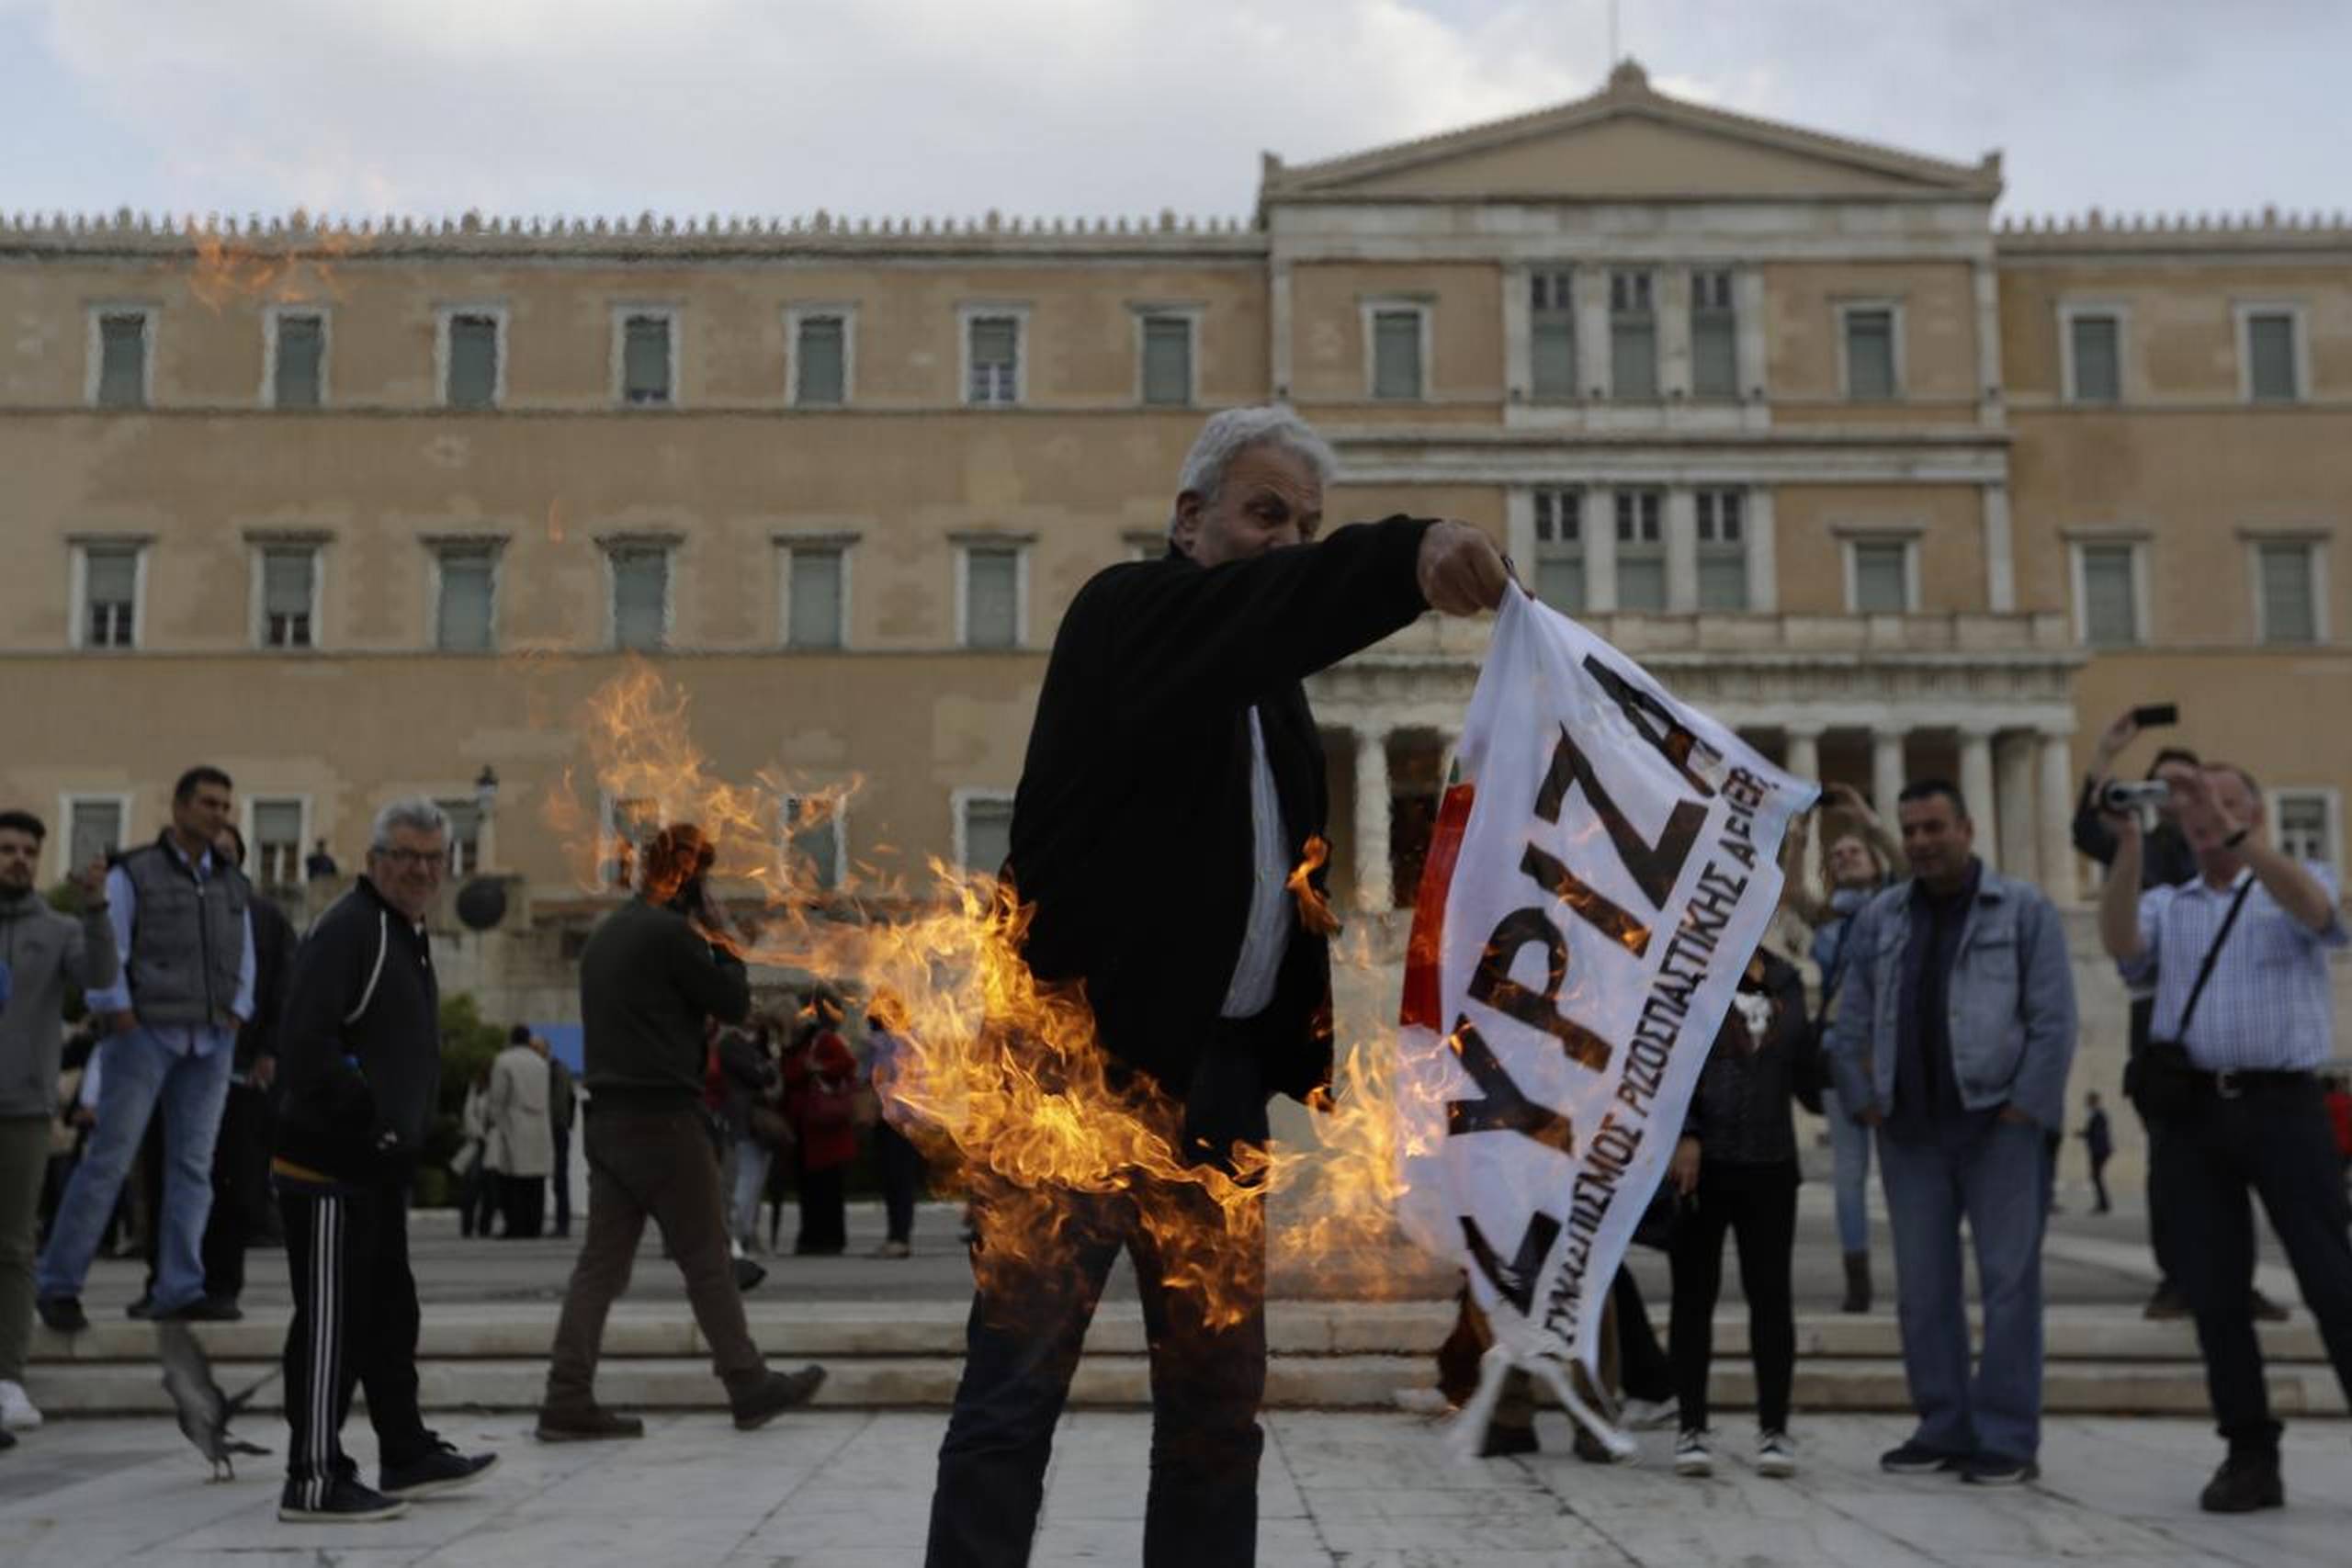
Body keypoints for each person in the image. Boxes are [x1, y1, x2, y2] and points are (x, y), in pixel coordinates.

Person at [923, 405, 1509, 1567]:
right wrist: (1401, 552)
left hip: (1222, 1092)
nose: (1288, 540)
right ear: (1189, 521)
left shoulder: (1278, 703)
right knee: (1013, 1399)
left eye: (1308, 524)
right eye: (1264, 513)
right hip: (1075, 1085)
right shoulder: (1123, 618)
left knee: (1214, 1410)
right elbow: (1271, 611)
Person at [2095, 760, 2352, 1515]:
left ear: (2254, 813)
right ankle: (2248, 1450)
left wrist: (2238, 834)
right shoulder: (2172, 905)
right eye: (2194, 801)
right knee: (2215, 1291)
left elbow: (2317, 914)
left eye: (2225, 799)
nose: (2205, 811)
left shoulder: (2297, 881)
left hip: (2285, 1106)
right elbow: (2121, 947)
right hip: (2195, 1113)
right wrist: (2129, 846)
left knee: (2331, 1279)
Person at [536, 823, 825, 1441]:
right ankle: (747, 1382)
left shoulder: (608, 936)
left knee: (600, 1267)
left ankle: (566, 1394)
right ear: (686, 879)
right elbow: (731, 999)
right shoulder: (670, 935)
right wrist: (723, 935)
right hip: (663, 1119)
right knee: (707, 1258)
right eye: (704, 879)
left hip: (608, 1118)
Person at [1828, 778, 2077, 1487]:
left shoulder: (2023, 909)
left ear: (1968, 828)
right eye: (1910, 830)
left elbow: (2053, 1019)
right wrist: (1861, 1097)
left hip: (1997, 1122)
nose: (1921, 841)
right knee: (1923, 1288)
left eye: (1934, 827)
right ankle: (1941, 1422)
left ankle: (2005, 1435)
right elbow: (1853, 1014)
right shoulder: (1883, 916)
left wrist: (2026, 1107)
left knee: (2008, 1285)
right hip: (1909, 1128)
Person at [271, 798, 496, 1522]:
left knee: (389, 1316)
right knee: (333, 1322)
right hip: (331, 1168)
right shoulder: (351, 930)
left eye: (435, 857)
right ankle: (312, 1476)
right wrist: (368, 1118)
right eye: (406, 855)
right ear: (373, 861)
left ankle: (404, 1450)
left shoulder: (403, 929)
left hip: (376, 1167)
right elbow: (304, 1045)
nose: (422, 869)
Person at [36, 766, 254, 1333]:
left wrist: (239, 1011)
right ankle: (59, 1284)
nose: (218, 814)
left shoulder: (232, 881)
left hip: (210, 1040)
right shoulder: (135, 872)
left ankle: (179, 1285)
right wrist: (118, 1011)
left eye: (225, 805)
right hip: (146, 1034)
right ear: (179, 808)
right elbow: (110, 941)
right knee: (108, 1161)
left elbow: (244, 952)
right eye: (208, 803)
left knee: (192, 1168)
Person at [1665, 945, 1815, 1480]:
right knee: (1693, 1295)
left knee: (1771, 1297)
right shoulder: (1692, 970)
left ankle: (1773, 1428)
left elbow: (1805, 1070)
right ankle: (1691, 1425)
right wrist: (1684, 1132)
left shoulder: (1785, 980)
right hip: (1703, 1162)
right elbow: (1672, 1054)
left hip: (1771, 1159)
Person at [2073, 714, 2201, 1317]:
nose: (2174, 796)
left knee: (2229, 1167)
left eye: (2187, 785)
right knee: (2170, 1163)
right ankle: (2175, 1276)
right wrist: (2105, 753)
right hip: (2158, 1026)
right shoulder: (2139, 848)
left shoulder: (2222, 851)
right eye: (2164, 785)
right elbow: (2083, 827)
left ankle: (2234, 1278)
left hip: (2220, 1020)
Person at [0, 811, 118, 1443]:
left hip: (22, 1105)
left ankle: (8, 1376)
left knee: (16, 1245)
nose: (17, 858)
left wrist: (96, 906)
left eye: (27, 849)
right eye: (6, 849)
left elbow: (100, 978)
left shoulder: (60, 927)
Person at [1780, 781, 1899, 1314]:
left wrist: (1866, 819)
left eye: (1854, 852)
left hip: (1894, 1048)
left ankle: (1918, 1265)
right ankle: (1858, 1279)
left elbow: (1909, 866)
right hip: (1837, 1053)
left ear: (1875, 862)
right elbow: (1789, 891)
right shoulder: (1828, 919)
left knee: (1904, 1169)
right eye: (1839, 854)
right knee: (1848, 1174)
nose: (1845, 856)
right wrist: (1802, 836)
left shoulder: (1900, 906)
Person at [786, 1017, 856, 1257]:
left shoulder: (823, 1040)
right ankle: (813, 1237)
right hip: (806, 1130)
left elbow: (846, 1063)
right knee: (810, 1188)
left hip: (825, 1131)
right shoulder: (795, 1044)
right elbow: (790, 1075)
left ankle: (829, 1238)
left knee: (827, 1187)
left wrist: (817, 1068)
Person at [865, 995, 923, 1258]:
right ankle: (900, 1235)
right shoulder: (914, 1040)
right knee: (901, 1179)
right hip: (908, 1118)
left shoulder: (884, 1043)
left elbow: (872, 1074)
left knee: (895, 1177)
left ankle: (898, 1237)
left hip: (891, 1117)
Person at [486, 1026, 553, 1240]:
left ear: (511, 1039)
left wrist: (497, 1122)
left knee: (511, 1180)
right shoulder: (541, 1063)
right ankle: (534, 1227)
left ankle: (515, 1226)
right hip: (540, 1125)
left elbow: (497, 1097)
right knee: (535, 1182)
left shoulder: (504, 1061)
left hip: (515, 1123)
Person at [455, 1066, 496, 1239]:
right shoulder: (475, 1090)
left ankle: (485, 1227)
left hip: (493, 1146)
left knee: (491, 1190)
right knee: (471, 1189)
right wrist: (479, 1134)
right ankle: (467, 1227)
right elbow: (468, 1114)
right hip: (476, 1144)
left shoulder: (498, 1091)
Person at [547, 1038, 577, 1239]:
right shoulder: (564, 1069)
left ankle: (562, 1225)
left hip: (556, 1129)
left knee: (559, 1178)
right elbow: (571, 1099)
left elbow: (558, 1103)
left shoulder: (554, 1071)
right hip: (562, 1128)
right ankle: (562, 1223)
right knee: (560, 1178)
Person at [2080, 1092, 2113, 1215]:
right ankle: (2103, 1204)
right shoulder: (2097, 1115)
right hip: (2099, 1150)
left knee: (2096, 1177)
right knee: (2096, 1177)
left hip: (2099, 1151)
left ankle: (2103, 1204)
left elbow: (2098, 1134)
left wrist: (2086, 1134)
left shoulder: (2098, 1115)